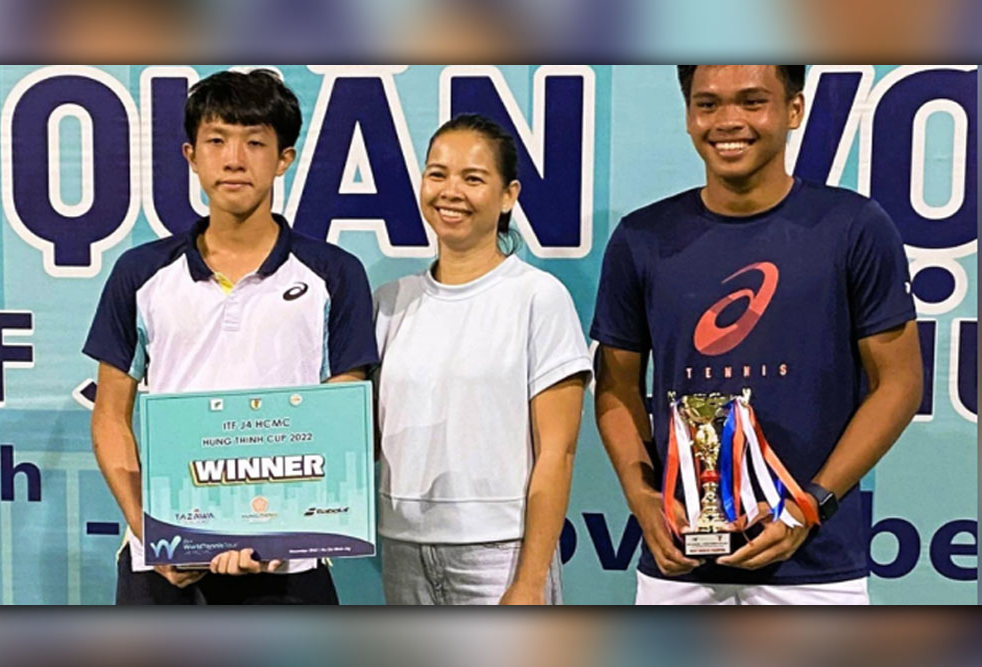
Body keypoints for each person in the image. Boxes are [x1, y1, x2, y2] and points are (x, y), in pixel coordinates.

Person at [592, 65, 922, 605]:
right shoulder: (641, 238)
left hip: (817, 569)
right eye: (708, 104)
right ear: (688, 114)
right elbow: (616, 387)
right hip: (679, 564)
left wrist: (808, 505)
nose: (728, 122)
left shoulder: (854, 226)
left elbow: (900, 384)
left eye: (751, 102)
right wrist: (641, 496)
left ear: (794, 110)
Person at [84, 69, 378, 604]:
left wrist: (279, 529)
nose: (235, 159)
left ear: (284, 158)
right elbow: (109, 417)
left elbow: (341, 422)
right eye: (217, 140)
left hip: (289, 562)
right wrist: (155, 534)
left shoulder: (335, 275)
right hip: (166, 562)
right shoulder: (141, 272)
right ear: (191, 154)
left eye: (255, 142)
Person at [373, 114, 592, 604]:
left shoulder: (538, 297)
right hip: (404, 548)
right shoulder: (390, 301)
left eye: (473, 178)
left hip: (501, 554)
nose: (451, 191)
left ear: (508, 195)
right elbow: (363, 438)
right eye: (438, 173)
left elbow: (558, 453)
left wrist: (530, 581)